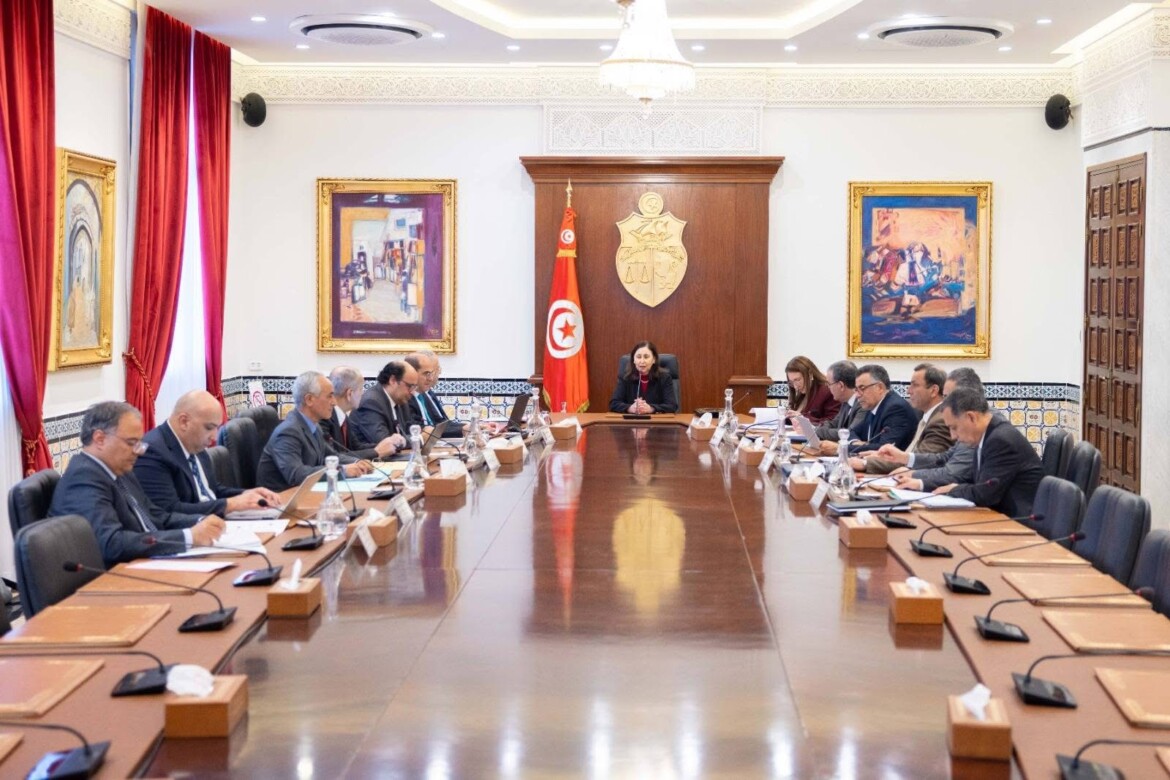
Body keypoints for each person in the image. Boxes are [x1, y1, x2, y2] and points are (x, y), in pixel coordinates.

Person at [48, 401, 226, 567]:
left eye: (139, 443)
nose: (139, 451)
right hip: (117, 575)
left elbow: (156, 516)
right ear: (100, 439)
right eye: (131, 443)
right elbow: (112, 543)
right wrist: (187, 537)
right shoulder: (84, 478)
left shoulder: (120, 470)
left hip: (149, 561)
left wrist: (200, 521)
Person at [135, 390, 281, 516]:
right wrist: (230, 504)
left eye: (217, 428)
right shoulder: (152, 452)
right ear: (184, 421)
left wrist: (247, 495)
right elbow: (168, 511)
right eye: (209, 428)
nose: (214, 437)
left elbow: (211, 491)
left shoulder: (194, 444)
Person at [930, 387, 1044, 517]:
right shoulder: (986, 436)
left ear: (971, 417)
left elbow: (985, 494)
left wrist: (954, 489)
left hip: (1018, 521)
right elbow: (977, 483)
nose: (953, 436)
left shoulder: (1000, 440)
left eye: (954, 427)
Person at [256, 372, 373, 491]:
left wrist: (357, 462)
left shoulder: (313, 426)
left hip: (305, 493)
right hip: (282, 498)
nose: (334, 402)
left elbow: (331, 456)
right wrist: (342, 471)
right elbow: (297, 475)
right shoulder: (288, 432)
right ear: (309, 399)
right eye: (329, 396)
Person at [880, 367, 984, 490]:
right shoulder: (969, 421)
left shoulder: (981, 427)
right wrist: (905, 458)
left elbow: (953, 473)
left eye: (948, 398)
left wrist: (915, 477)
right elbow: (943, 458)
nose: (944, 403)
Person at [853, 364, 952, 473]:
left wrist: (865, 463)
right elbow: (911, 457)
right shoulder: (927, 416)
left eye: (915, 385)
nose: (908, 391)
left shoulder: (940, 421)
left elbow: (922, 462)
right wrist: (881, 456)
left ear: (933, 390)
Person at [320, 367, 398, 459]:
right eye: (361, 389)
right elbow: (333, 457)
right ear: (349, 393)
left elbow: (357, 447)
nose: (363, 394)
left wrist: (388, 444)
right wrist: (376, 452)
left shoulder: (343, 417)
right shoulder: (324, 418)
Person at [349, 360, 420, 449]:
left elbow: (409, 431)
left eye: (414, 387)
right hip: (367, 456)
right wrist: (419, 439)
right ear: (393, 380)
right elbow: (385, 442)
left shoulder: (401, 401)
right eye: (410, 386)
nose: (413, 392)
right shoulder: (371, 402)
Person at [847, 364, 917, 453]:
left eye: (862, 388)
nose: (857, 395)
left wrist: (841, 448)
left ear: (879, 388)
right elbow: (852, 432)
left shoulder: (896, 409)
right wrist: (855, 442)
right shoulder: (873, 405)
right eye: (856, 390)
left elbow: (884, 449)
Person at [405, 351, 465, 437]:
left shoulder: (424, 395)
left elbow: (441, 423)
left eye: (431, 373)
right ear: (412, 373)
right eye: (426, 373)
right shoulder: (404, 399)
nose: (431, 378)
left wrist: (466, 428)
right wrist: (463, 429)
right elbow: (419, 429)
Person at [608, 341, 678, 414]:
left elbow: (672, 406)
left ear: (654, 359)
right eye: (638, 357)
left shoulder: (664, 378)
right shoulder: (625, 378)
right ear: (634, 360)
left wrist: (651, 409)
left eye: (646, 357)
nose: (642, 361)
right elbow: (613, 404)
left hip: (655, 420)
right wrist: (630, 408)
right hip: (632, 420)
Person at [813, 360, 867, 449]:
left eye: (829, 384)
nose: (828, 387)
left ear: (841, 385)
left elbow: (848, 433)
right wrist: (820, 429)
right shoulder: (845, 401)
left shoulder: (863, 404)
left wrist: (816, 431)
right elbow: (832, 423)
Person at [783, 356, 839, 424]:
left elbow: (833, 422)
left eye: (797, 380)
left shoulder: (828, 391)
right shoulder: (802, 393)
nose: (795, 386)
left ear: (810, 374)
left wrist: (803, 418)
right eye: (792, 382)